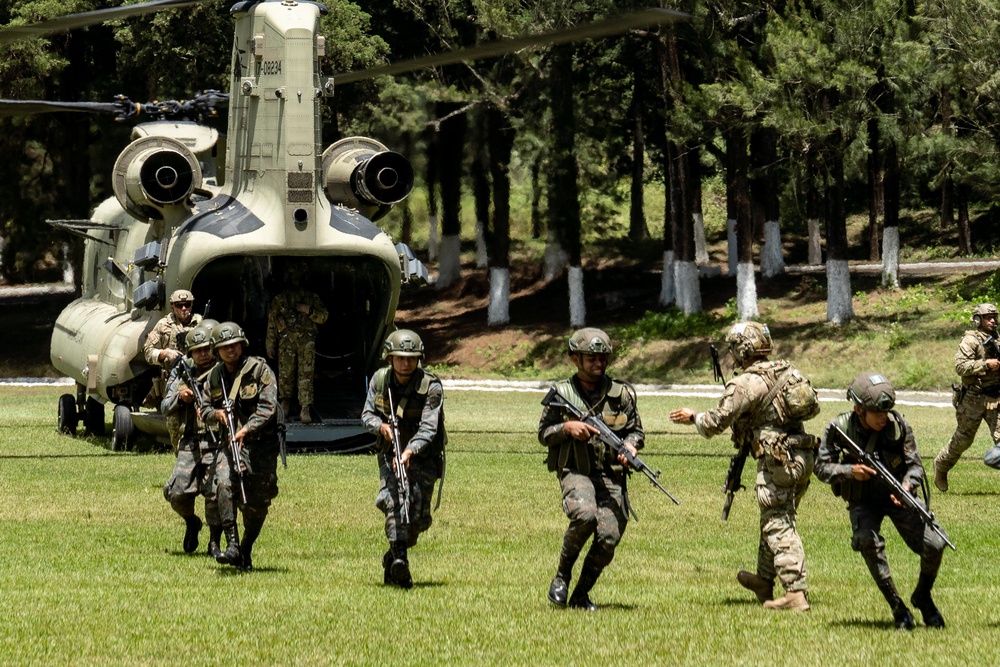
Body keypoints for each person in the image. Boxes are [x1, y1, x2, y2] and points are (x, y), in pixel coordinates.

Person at [670, 322, 820, 612]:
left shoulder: (745, 383)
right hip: (803, 456)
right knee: (776, 518)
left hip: (776, 461)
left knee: (778, 522)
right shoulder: (788, 372)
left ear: (743, 350)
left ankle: (795, 592)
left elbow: (715, 422)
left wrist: (693, 417)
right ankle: (764, 580)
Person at [815, 372, 947, 629]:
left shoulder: (899, 427)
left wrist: (907, 488)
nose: (882, 418)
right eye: (876, 413)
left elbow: (915, 467)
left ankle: (922, 597)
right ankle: (898, 609)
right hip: (863, 500)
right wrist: (850, 472)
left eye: (885, 413)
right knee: (867, 541)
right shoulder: (839, 429)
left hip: (897, 495)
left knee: (936, 543)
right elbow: (821, 468)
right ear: (858, 410)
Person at [538, 328, 643, 611]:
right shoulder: (562, 393)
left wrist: (631, 447)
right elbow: (544, 434)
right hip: (576, 470)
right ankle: (562, 576)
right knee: (585, 515)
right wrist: (567, 428)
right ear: (575, 359)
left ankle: (580, 595)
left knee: (609, 536)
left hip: (610, 474)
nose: (598, 364)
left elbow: (636, 431)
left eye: (603, 359)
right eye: (591, 359)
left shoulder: (620, 394)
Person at [361, 329, 446, 589]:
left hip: (423, 456)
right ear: (390, 358)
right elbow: (367, 415)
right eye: (400, 358)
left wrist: (409, 451)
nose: (406, 363)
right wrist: (382, 429)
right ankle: (401, 563)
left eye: (411, 358)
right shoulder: (379, 380)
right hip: (390, 453)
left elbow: (429, 429)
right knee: (395, 501)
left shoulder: (431, 385)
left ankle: (392, 557)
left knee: (417, 519)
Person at [199, 321, 281, 571]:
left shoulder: (259, 371)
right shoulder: (213, 377)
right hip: (230, 444)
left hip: (261, 447)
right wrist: (218, 416)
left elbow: (269, 407)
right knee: (224, 484)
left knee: (257, 504)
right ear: (217, 350)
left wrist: (247, 428)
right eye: (224, 347)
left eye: (234, 345)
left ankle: (245, 548)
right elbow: (204, 409)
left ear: (242, 345)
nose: (230, 351)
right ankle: (232, 544)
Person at [161, 323, 238, 563]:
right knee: (176, 493)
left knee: (214, 492)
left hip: (217, 441)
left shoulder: (223, 372)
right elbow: (164, 406)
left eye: (207, 349)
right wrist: (180, 398)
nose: (203, 354)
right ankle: (191, 522)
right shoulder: (182, 373)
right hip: (191, 442)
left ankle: (215, 540)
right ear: (190, 353)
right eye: (198, 350)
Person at [934, 303, 1000, 492]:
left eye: (995, 316)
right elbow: (961, 367)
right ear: (978, 320)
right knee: (964, 439)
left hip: (995, 399)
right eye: (988, 317)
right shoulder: (970, 340)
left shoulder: (997, 339)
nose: (993, 320)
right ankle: (941, 466)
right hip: (973, 398)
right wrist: (985, 364)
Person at [265, 262, 329, 424]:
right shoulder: (280, 299)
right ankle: (285, 402)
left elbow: (323, 316)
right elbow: (272, 322)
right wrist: (270, 343)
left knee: (306, 375)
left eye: (299, 276)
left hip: (306, 342)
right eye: (293, 276)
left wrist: (309, 310)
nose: (296, 280)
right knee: (285, 374)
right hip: (286, 342)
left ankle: (305, 407)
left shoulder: (312, 298)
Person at [143, 289, 203, 445]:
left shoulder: (200, 324)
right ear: (172, 306)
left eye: (187, 305)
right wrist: (164, 353)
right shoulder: (163, 326)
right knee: (175, 425)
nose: (184, 309)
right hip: (173, 382)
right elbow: (148, 352)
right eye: (179, 305)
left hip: (198, 378)